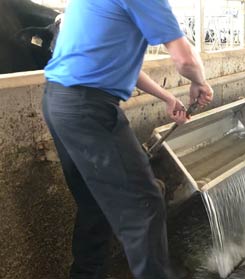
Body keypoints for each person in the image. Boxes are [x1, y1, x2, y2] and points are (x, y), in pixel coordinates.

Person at [42, 1, 213, 278]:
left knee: (94, 202)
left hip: (58, 101)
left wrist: (167, 97)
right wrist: (200, 82)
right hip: (89, 107)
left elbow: (111, 58)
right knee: (145, 205)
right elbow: (186, 60)